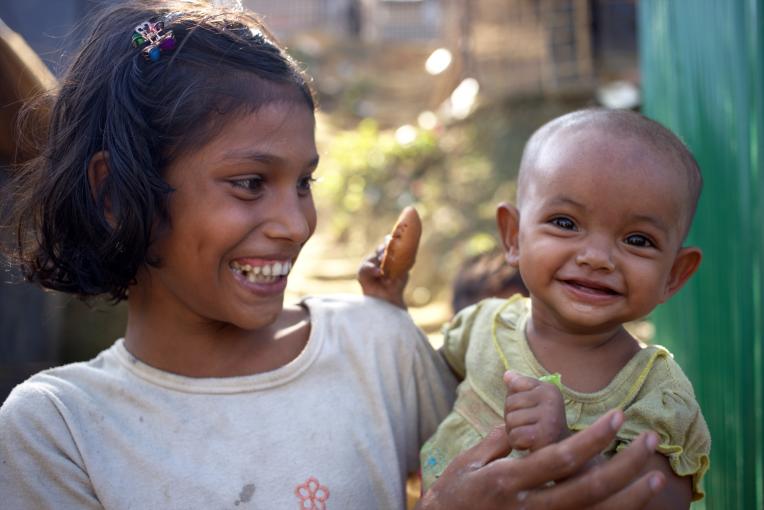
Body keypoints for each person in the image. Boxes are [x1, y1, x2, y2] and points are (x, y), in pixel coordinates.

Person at [0, 2, 670, 508]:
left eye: (304, 183)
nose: (295, 224)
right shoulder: (58, 431)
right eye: (250, 183)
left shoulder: (377, 346)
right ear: (116, 194)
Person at [362, 109, 710, 509]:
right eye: (565, 223)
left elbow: (661, 501)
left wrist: (567, 450)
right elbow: (426, 394)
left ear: (674, 275)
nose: (596, 257)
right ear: (513, 236)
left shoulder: (656, 396)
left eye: (637, 239)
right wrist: (388, 306)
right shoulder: (483, 325)